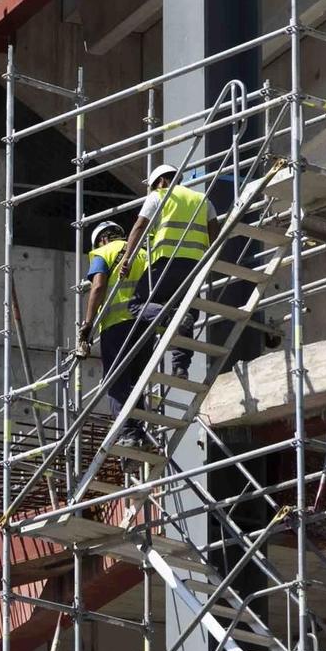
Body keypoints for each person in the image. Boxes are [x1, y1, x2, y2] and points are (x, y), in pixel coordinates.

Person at [124, 162, 217, 378]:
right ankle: (181, 366)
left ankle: (168, 317)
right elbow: (215, 230)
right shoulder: (202, 200)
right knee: (188, 316)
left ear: (161, 181)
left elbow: (139, 227)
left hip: (166, 263)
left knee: (136, 305)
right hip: (194, 265)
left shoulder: (159, 196)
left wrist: (128, 258)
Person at [78, 220, 152, 449]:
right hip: (146, 325)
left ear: (102, 239)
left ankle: (129, 433)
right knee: (136, 381)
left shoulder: (103, 252)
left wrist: (87, 326)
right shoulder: (143, 253)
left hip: (117, 326)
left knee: (117, 382)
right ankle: (137, 430)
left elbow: (98, 287)